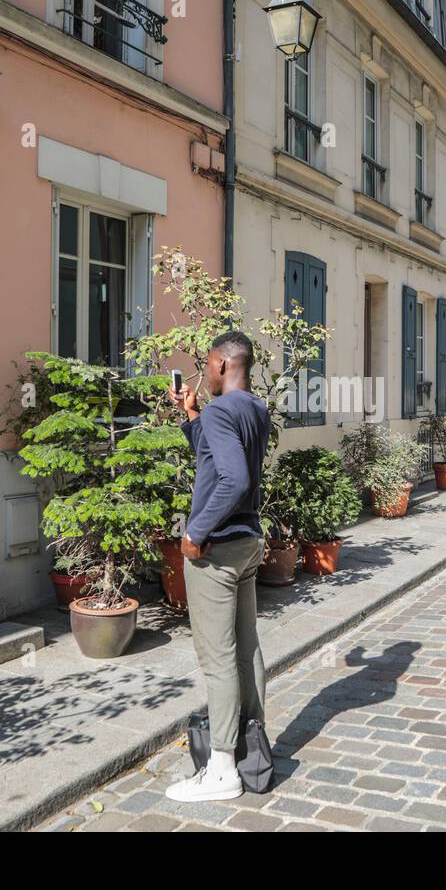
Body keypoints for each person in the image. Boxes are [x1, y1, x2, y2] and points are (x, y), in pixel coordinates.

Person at [165, 331, 271, 803]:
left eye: (207, 364)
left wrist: (195, 533)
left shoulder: (222, 410)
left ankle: (223, 766)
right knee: (246, 647)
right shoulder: (253, 408)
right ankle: (252, 746)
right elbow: (215, 457)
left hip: (218, 548)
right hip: (247, 540)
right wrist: (190, 416)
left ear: (223, 364)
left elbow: (234, 477)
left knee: (219, 658)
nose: (203, 373)